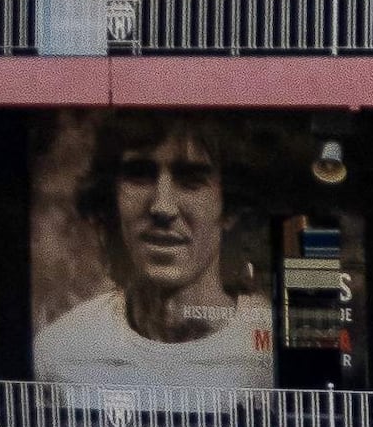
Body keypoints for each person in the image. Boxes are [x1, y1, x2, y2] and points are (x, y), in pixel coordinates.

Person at [37, 117, 274, 395]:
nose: (162, 207)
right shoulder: (60, 351)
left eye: (190, 180)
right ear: (111, 198)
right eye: (139, 175)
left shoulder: (269, 346)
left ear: (230, 207)